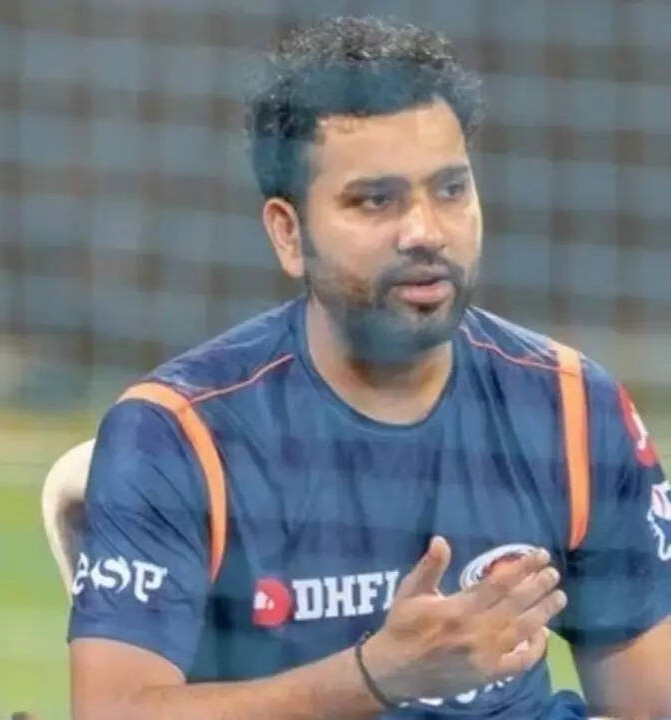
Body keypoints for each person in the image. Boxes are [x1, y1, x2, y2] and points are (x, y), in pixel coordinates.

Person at [66, 16, 671, 719]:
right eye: (375, 201)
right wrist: (376, 676)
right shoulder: (179, 432)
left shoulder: (570, 407)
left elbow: (652, 703)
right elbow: (112, 712)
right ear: (288, 233)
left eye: (451, 190)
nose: (425, 231)